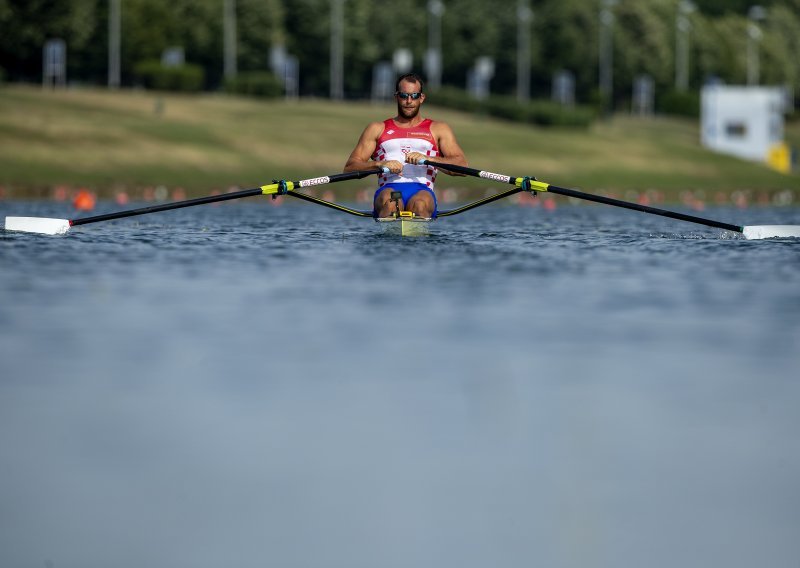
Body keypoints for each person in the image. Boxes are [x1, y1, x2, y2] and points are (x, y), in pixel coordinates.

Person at [343, 73, 468, 218]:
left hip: (423, 191)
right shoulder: (377, 129)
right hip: (389, 189)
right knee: (391, 202)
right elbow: (350, 168)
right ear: (396, 97)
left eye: (414, 96)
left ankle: (413, 235)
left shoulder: (439, 129)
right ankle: (391, 234)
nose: (409, 101)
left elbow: (462, 166)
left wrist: (428, 159)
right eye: (404, 95)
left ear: (421, 98)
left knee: (420, 204)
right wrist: (381, 164)